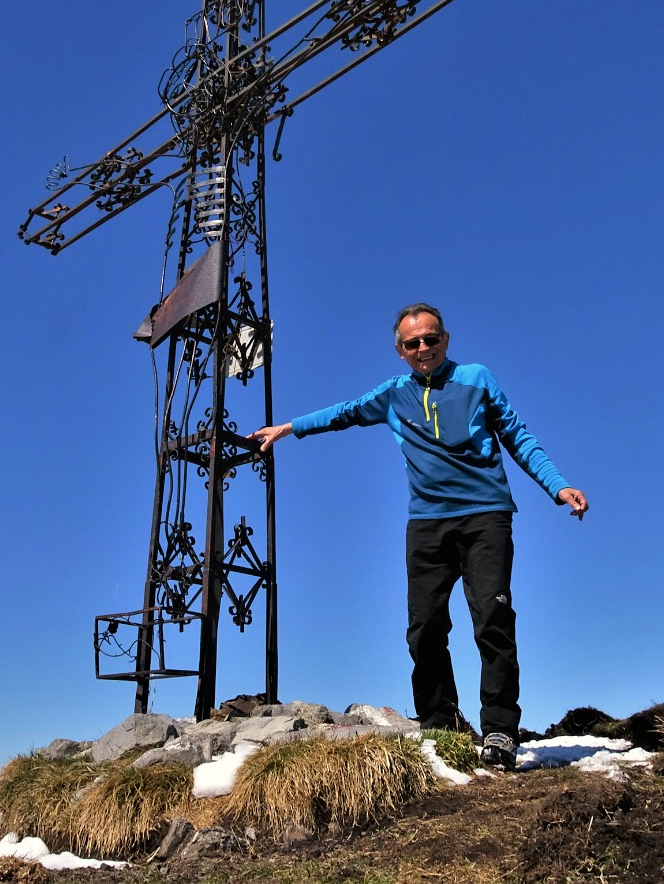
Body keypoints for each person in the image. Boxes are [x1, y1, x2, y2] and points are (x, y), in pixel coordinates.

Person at [251, 303, 588, 769]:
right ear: (400, 351)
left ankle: (499, 731)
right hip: (427, 523)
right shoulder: (394, 395)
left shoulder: (476, 379)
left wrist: (557, 485)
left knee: (492, 620)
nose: (423, 348)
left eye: (431, 339)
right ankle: (441, 724)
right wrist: (290, 428)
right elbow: (345, 413)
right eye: (413, 343)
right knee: (424, 629)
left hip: (485, 517)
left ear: (445, 339)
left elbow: (517, 435)